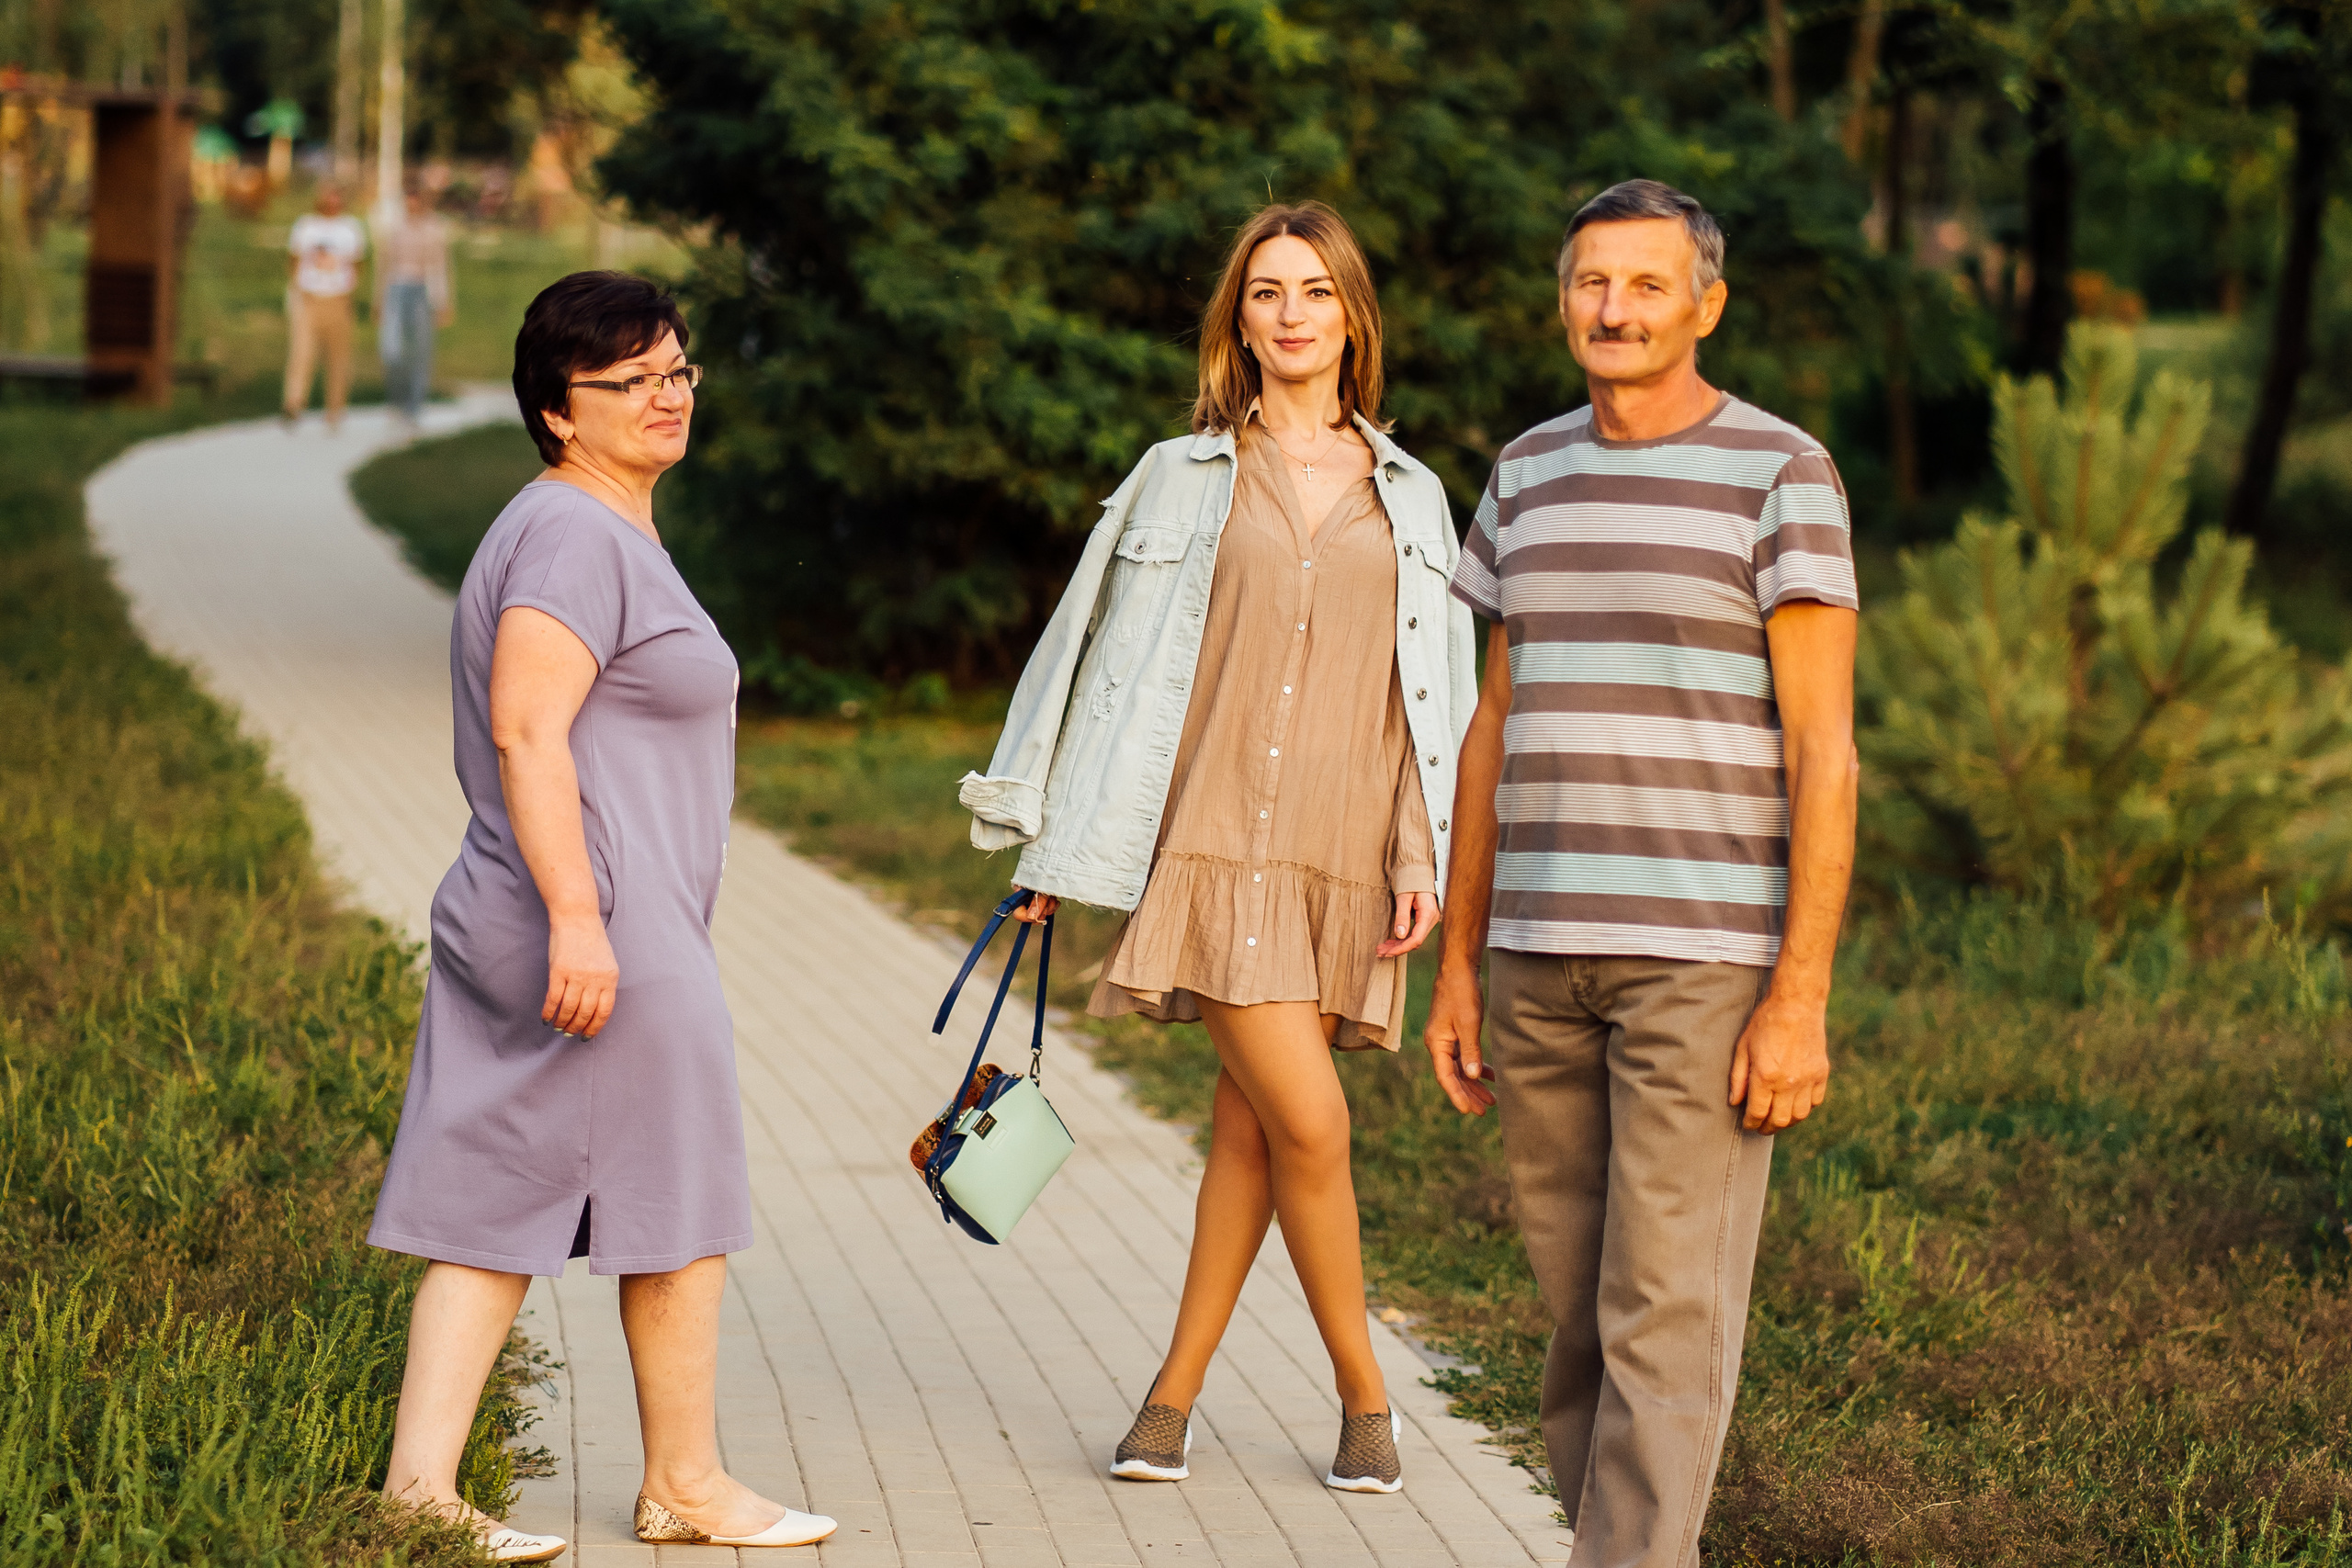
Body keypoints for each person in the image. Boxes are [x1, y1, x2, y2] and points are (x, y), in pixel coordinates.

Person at [959, 202, 1477, 1495]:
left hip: (1339, 851)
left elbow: (1431, 694)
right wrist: (1043, 838)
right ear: (1235, 321)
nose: (1290, 312)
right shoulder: (1177, 474)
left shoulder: (1411, 493)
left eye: (1314, 290)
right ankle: (1367, 1395)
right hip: (1207, 838)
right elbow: (1091, 660)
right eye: (1264, 293)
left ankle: (1171, 1397)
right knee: (1316, 1119)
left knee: (1255, 1133)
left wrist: (1424, 853)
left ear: (1353, 314)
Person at [365, 272, 837, 1560]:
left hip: (546, 906)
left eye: (678, 369)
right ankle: (685, 1477)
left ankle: (419, 1487)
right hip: (596, 917)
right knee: (679, 1200)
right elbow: (527, 723)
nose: (666, 396)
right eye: (630, 381)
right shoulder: (575, 533)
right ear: (558, 410)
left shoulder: (589, 524)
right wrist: (584, 918)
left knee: (493, 1196)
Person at [1423, 179, 1859, 1567]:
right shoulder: (1525, 469)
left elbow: (1826, 750)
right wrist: (1458, 960)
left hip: (1703, 958)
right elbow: (1494, 722)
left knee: (1663, 1307)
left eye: (1646, 286)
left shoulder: (1781, 470)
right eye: (1590, 283)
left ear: (1706, 304)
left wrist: (1800, 993)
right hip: (1539, 958)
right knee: (1576, 1317)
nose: (1612, 310)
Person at [283, 182, 366, 430]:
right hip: (310, 297)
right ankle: (294, 402)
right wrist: (298, 290)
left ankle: (335, 408)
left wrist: (350, 290)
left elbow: (358, 263)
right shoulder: (306, 226)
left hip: (338, 298)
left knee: (338, 357)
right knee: (302, 352)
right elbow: (294, 260)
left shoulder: (351, 228)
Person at [379, 183, 454, 426]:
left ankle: (414, 407)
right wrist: (379, 299)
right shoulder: (394, 227)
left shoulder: (434, 228)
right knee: (393, 349)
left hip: (422, 290)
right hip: (396, 288)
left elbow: (440, 266)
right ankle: (396, 401)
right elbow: (384, 264)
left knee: (421, 351)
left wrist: (443, 302)